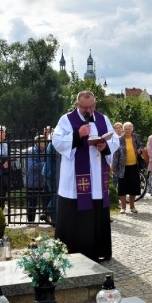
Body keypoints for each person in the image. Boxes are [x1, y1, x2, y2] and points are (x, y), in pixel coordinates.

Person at [52, 91, 120, 261]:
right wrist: (78, 135)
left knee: (96, 214)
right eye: (85, 107)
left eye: (92, 106)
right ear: (77, 105)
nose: (89, 111)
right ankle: (74, 252)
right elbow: (57, 142)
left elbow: (115, 140)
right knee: (76, 216)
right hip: (75, 182)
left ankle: (98, 250)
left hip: (97, 178)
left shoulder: (103, 119)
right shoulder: (66, 120)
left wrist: (105, 146)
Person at [112, 122, 145, 214]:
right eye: (125, 129)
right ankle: (123, 207)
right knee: (122, 187)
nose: (127, 130)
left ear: (132, 129)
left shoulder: (136, 137)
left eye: (129, 128)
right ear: (123, 129)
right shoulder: (119, 139)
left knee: (133, 187)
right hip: (123, 167)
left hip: (134, 166)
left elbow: (141, 146)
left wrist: (140, 150)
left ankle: (132, 206)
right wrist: (114, 166)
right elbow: (115, 154)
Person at [25, 135, 49, 223]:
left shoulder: (45, 151)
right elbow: (31, 166)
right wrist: (46, 164)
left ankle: (46, 217)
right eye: (44, 141)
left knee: (46, 200)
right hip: (33, 181)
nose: (45, 143)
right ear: (38, 143)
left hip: (42, 181)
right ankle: (31, 221)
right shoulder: (32, 151)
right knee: (32, 203)